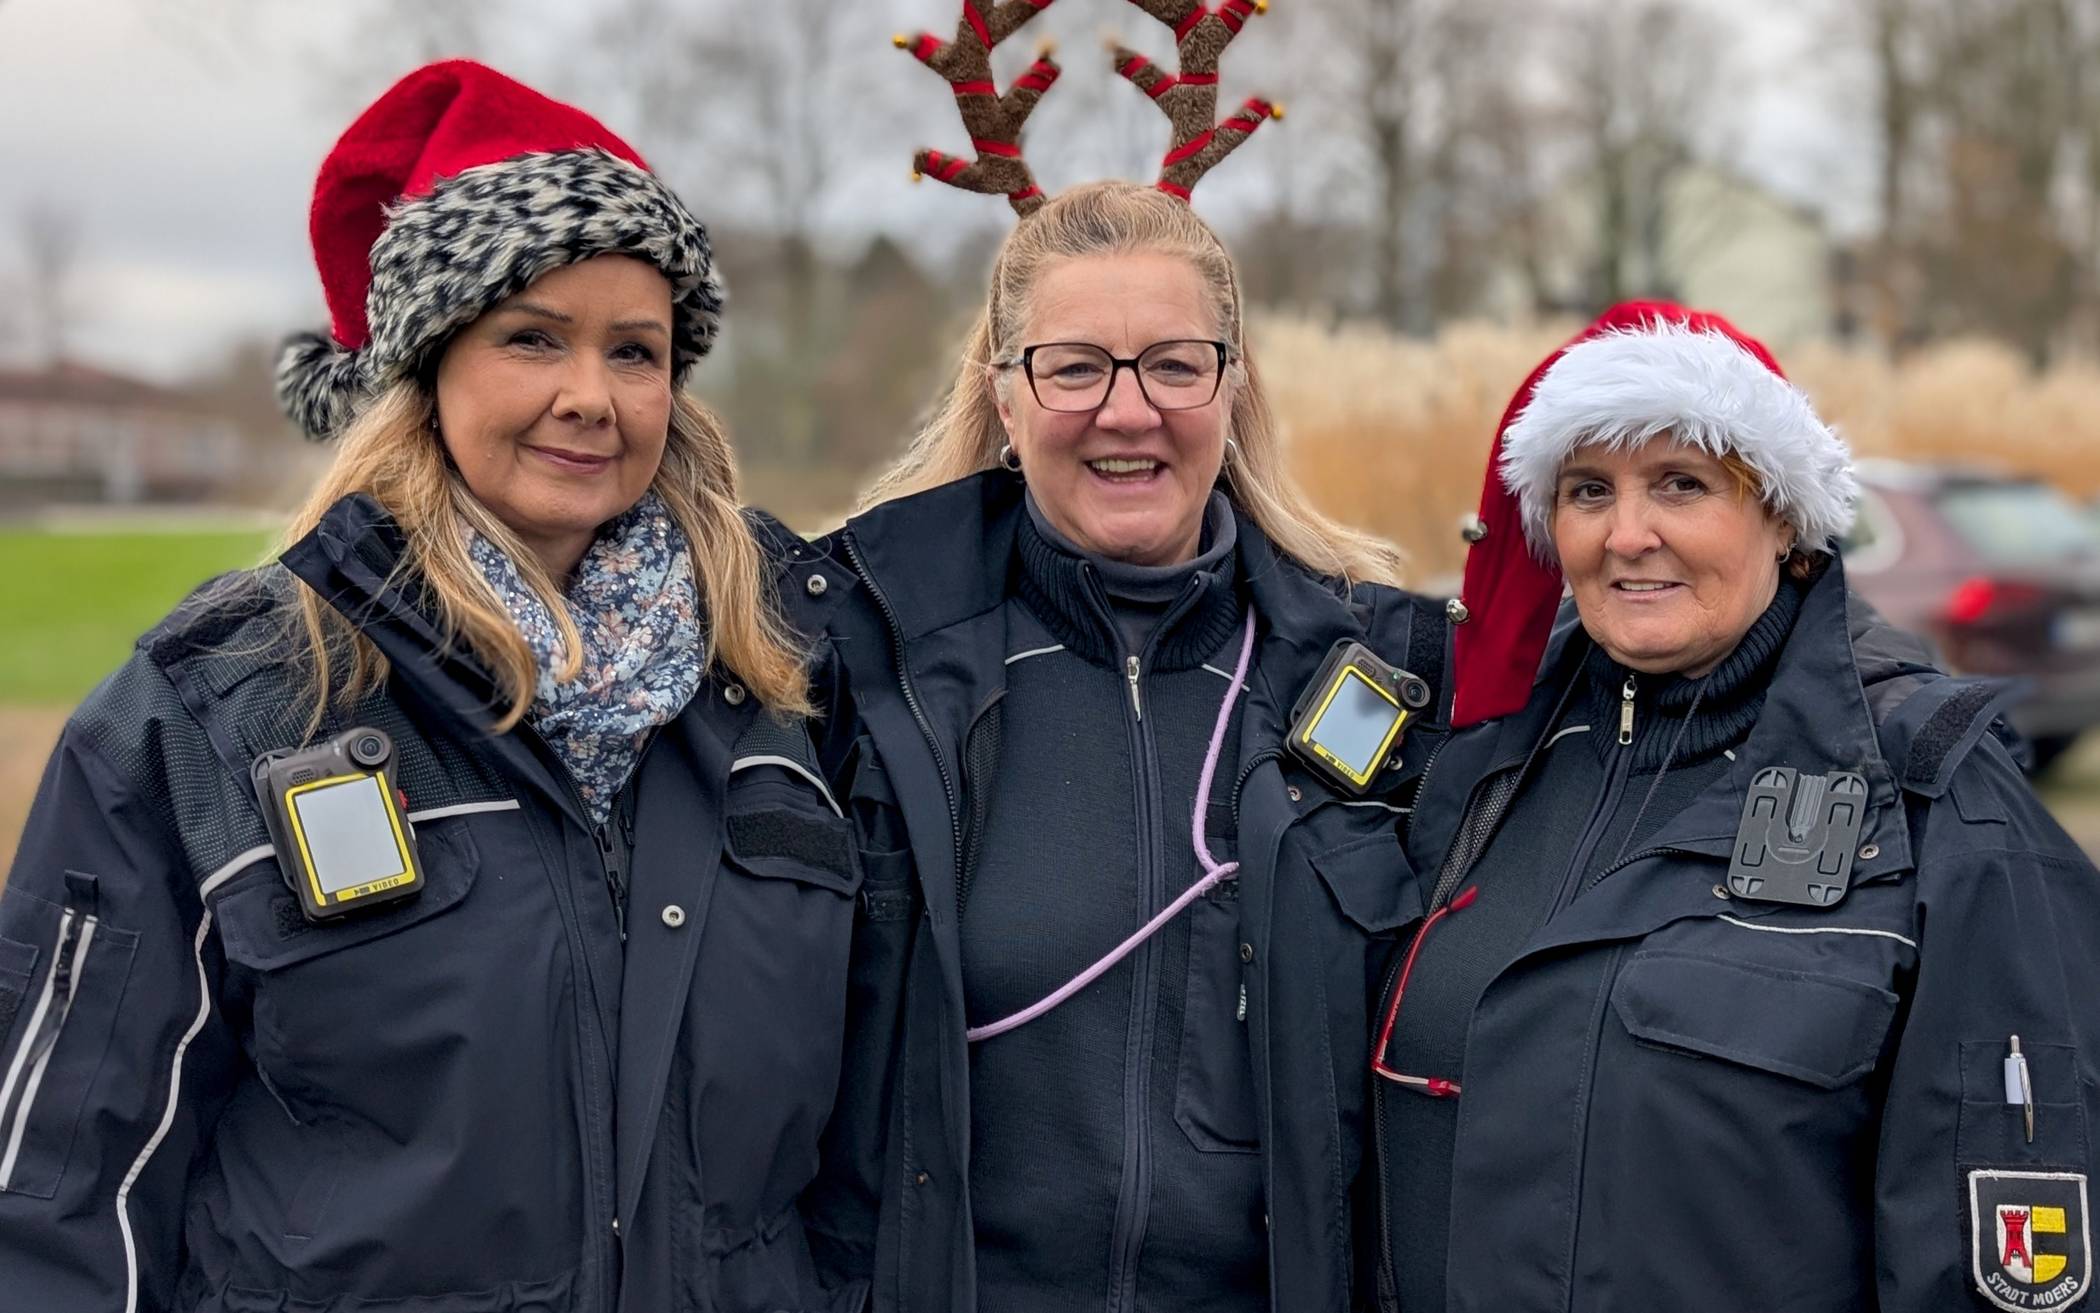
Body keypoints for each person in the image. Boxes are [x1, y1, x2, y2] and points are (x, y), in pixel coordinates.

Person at [0, 61, 864, 1313]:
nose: (591, 396)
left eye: (637, 348)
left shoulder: (789, 681)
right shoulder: (216, 708)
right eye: (531, 338)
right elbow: (58, 1191)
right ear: (422, 370)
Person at [801, 152, 1451, 1313]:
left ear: (1232, 385)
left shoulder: (1382, 673)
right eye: (1077, 368)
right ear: (1005, 393)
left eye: (1171, 365)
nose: (1128, 408)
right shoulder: (861, 661)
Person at [1375, 300, 2100, 1312]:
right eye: (1590, 489)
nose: (1631, 534)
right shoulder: (1482, 761)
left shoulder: (1930, 793)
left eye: (1682, 482)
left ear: (1781, 512)